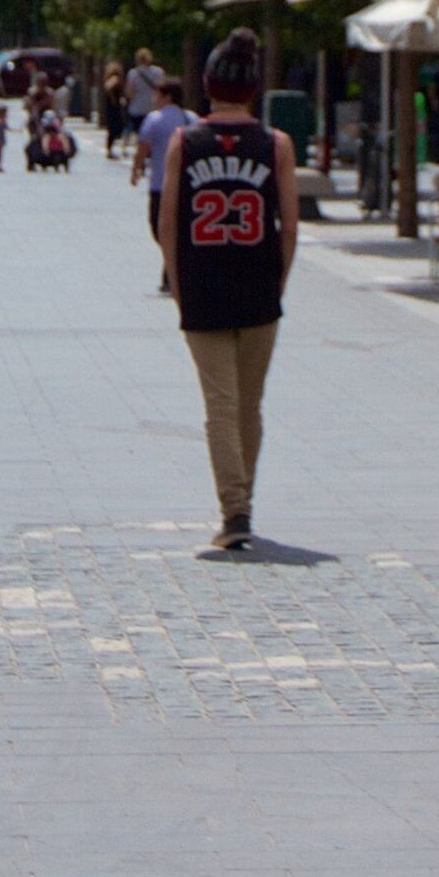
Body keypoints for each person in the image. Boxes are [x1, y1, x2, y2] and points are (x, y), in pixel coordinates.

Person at [162, 29, 297, 555]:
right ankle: (243, 500)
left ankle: (234, 508)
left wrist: (176, 281)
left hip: (203, 283)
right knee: (249, 404)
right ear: (254, 88)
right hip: (258, 282)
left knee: (220, 402)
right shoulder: (276, 143)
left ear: (206, 84)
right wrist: (279, 279)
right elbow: (289, 225)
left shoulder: (183, 142)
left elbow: (168, 219)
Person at [132, 74, 194, 290]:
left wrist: (136, 170)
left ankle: (172, 269)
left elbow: (143, 148)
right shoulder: (192, 120)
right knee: (180, 227)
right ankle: (173, 268)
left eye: (156, 94)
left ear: (167, 96)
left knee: (159, 227)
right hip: (188, 186)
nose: (153, 98)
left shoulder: (154, 119)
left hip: (160, 184)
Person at [120, 50, 163, 162]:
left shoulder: (133, 73)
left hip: (137, 109)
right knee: (154, 135)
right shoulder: (158, 72)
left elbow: (129, 92)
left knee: (140, 135)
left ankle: (141, 157)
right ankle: (151, 155)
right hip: (154, 108)